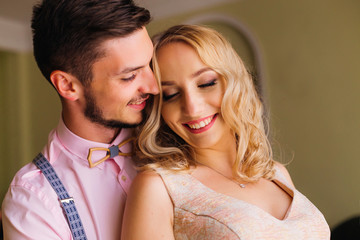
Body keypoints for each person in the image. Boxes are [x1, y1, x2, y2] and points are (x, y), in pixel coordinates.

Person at [121, 24, 331, 239]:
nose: (192, 107)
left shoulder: (275, 173)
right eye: (171, 94)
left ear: (235, 83)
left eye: (206, 83)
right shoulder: (159, 187)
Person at [1, 0, 158, 239]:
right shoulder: (32, 201)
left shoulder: (172, 133)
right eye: (130, 76)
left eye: (150, 65)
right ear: (68, 85)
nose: (154, 86)